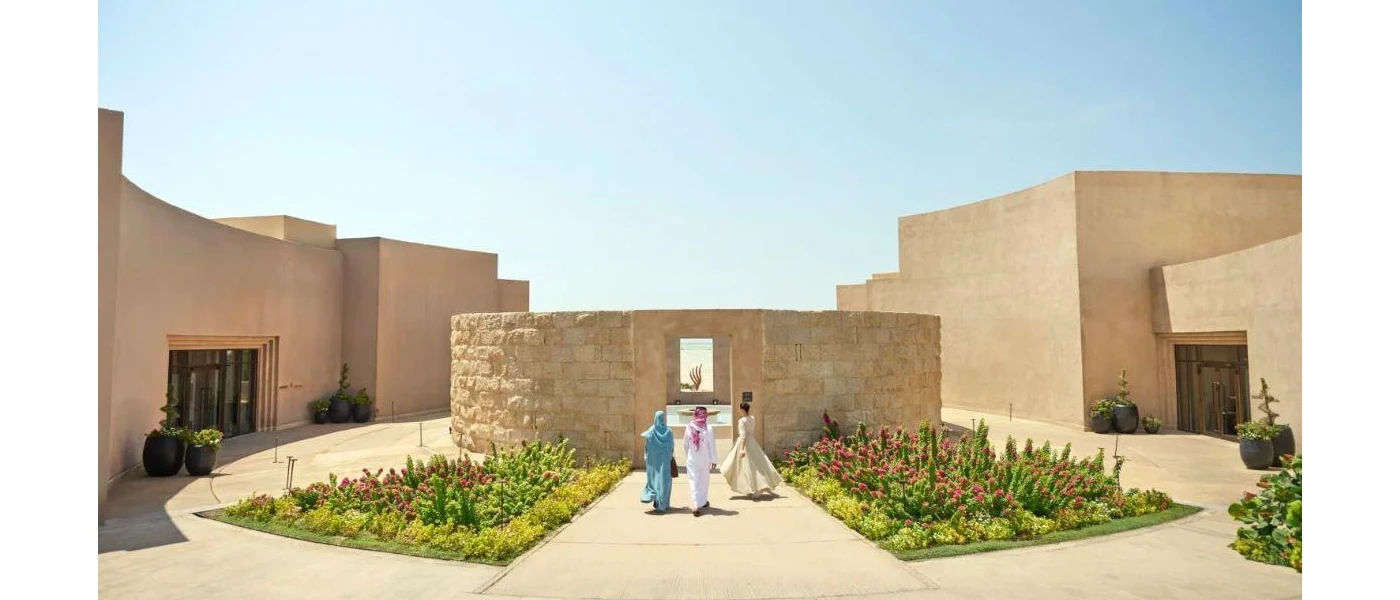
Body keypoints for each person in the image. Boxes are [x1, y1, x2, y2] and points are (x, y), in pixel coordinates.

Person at [720, 401, 783, 499]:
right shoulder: (752, 418)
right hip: (752, 442)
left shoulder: (742, 421)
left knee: (748, 466)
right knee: (757, 464)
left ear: (742, 409)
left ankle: (759, 486)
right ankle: (758, 486)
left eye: (739, 408)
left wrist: (742, 449)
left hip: (745, 443)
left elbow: (743, 436)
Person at [684, 406, 719, 516]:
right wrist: (713, 460)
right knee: (703, 481)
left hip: (692, 459)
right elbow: (711, 446)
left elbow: (685, 445)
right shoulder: (708, 428)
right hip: (704, 460)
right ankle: (701, 502)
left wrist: (689, 456)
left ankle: (696, 504)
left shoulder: (688, 427)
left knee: (693, 481)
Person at [639, 410, 674, 513]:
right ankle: (664, 504)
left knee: (654, 480)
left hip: (653, 462)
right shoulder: (669, 431)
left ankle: (656, 500)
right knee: (664, 481)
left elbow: (647, 447)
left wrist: (647, 457)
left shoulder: (651, 431)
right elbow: (672, 447)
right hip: (665, 461)